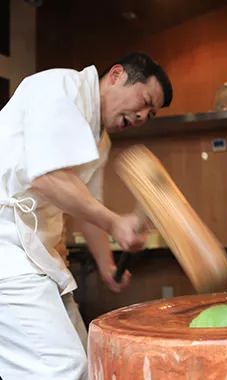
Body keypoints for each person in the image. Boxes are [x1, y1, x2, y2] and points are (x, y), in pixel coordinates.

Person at [0, 52, 173, 380]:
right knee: (60, 367)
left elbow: (87, 203)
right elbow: (46, 178)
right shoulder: (58, 87)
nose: (141, 116)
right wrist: (116, 223)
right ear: (117, 75)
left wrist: (107, 264)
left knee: (84, 362)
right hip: (6, 250)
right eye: (145, 101)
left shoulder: (99, 139)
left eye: (150, 114)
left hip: (35, 256)